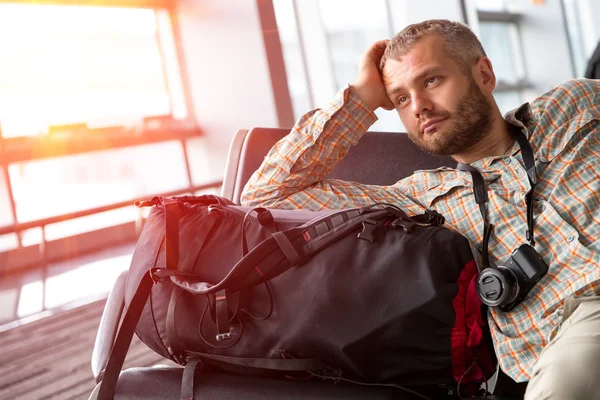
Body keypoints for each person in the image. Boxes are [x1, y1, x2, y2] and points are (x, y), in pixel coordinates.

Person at [241, 19, 600, 399]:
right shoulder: (417, 202)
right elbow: (267, 195)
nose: (420, 107)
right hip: (574, 339)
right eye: (400, 98)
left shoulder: (572, 106)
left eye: (431, 81)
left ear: (483, 74)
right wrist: (361, 98)